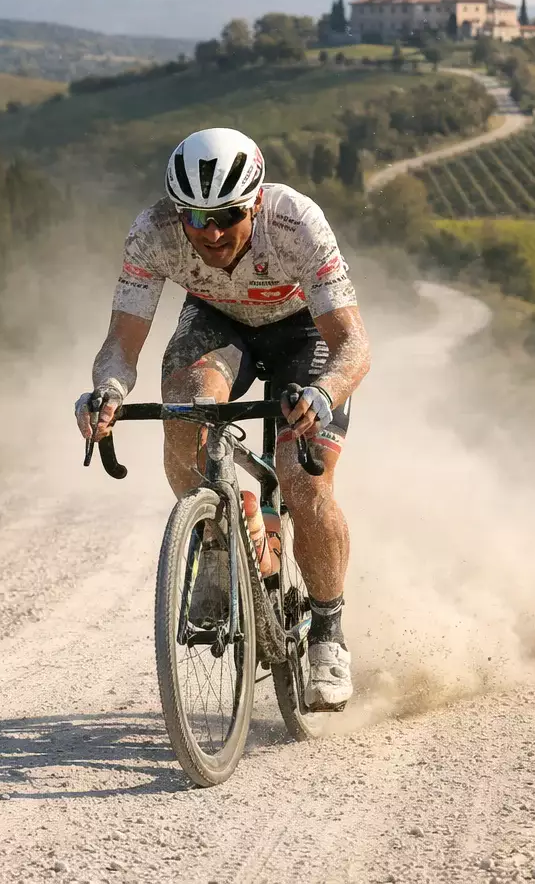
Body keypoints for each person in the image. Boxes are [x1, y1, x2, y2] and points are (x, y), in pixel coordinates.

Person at [74, 127, 371, 711]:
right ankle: (222, 534)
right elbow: (120, 343)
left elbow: (353, 343)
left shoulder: (296, 222)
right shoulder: (153, 232)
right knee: (184, 406)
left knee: (302, 476)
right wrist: (106, 389)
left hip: (303, 331)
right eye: (196, 218)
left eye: (227, 216)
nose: (209, 233)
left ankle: (328, 631)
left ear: (255, 201)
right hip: (218, 321)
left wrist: (325, 393)